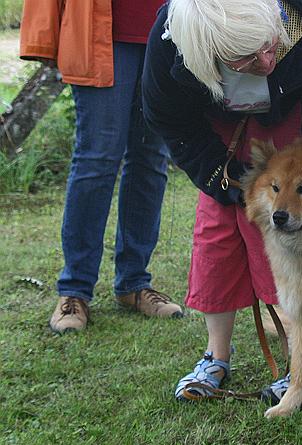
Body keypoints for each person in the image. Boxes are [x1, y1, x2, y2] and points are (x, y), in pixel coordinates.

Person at [142, 0, 302, 402]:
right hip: (216, 119)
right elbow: (172, 123)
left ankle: (300, 364)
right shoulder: (172, 43)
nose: (265, 61)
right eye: (247, 57)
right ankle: (215, 354)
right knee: (217, 227)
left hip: (292, 113)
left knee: (283, 223)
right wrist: (222, 176)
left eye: (270, 46)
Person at [19, 0, 183, 333]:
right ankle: (74, 290)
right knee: (97, 160)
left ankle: (134, 283)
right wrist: (41, 36)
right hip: (101, 37)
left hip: (170, 32)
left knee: (151, 160)